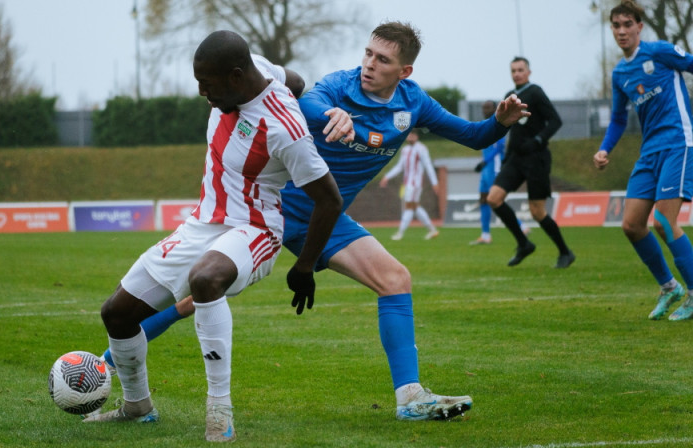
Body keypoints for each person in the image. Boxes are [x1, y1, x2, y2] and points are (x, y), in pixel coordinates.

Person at [102, 21, 529, 423]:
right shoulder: (339, 86)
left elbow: (473, 136)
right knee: (196, 294)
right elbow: (306, 100)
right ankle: (105, 363)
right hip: (278, 211)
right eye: (367, 53)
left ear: (405, 70)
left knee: (395, 279)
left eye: (382, 60)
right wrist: (331, 115)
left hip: (328, 216)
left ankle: (410, 398)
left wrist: (500, 122)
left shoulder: (413, 102)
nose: (369, 64)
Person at [85, 30, 343, 444]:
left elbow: (329, 200)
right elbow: (293, 80)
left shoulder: (285, 129)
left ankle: (219, 412)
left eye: (208, 84)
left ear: (237, 77)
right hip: (201, 224)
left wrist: (306, 265)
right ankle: (137, 407)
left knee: (205, 279)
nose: (202, 93)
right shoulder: (257, 67)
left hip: (256, 229)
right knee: (116, 313)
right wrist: (299, 90)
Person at [594, 0, 693, 321]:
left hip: (679, 141)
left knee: (663, 222)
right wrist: (605, 149)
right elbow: (619, 120)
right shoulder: (620, 72)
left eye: (627, 24)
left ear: (639, 26)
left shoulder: (660, 51)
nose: (622, 31)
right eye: (616, 26)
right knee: (632, 225)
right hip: (649, 151)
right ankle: (670, 287)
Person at [485, 56, 575, 268]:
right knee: (493, 198)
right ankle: (524, 243)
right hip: (516, 158)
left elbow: (555, 120)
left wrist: (538, 140)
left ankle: (565, 252)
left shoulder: (535, 92)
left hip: (536, 157)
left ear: (528, 72)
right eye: (513, 70)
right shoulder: (509, 96)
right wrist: (507, 154)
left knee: (537, 211)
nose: (516, 73)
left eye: (520, 70)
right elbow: (509, 127)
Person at [471, 100, 530, 245]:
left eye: (488, 107)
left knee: (495, 200)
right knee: (483, 199)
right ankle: (485, 235)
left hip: (495, 168)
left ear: (494, 108)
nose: (485, 110)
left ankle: (521, 226)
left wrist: (486, 162)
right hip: (486, 169)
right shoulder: (485, 125)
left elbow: (499, 148)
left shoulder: (499, 124)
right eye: (484, 108)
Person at [379, 129, 440, 240]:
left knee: (408, 207)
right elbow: (400, 166)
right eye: (409, 135)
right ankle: (432, 230)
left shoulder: (421, 149)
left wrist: (434, 183)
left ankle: (400, 233)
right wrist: (387, 176)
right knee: (415, 207)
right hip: (407, 183)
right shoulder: (405, 150)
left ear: (417, 136)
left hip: (415, 183)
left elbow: (428, 166)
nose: (410, 137)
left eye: (412, 135)